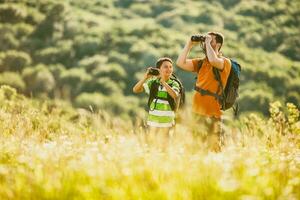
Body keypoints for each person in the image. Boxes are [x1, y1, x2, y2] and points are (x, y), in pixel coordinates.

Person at [176, 32, 232, 152]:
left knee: (214, 147)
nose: (206, 43)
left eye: (211, 40)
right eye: (206, 40)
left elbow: (213, 60)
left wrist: (207, 43)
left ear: (218, 44)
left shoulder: (225, 62)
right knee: (196, 146)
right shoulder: (202, 62)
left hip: (213, 113)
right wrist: (189, 45)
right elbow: (180, 63)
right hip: (197, 111)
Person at [133, 57, 180, 139]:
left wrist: (163, 82)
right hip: (152, 122)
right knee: (151, 146)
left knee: (165, 148)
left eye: (170, 67)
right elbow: (136, 90)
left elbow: (174, 95)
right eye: (165, 67)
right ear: (159, 69)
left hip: (167, 123)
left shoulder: (174, 83)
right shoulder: (153, 83)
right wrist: (145, 78)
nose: (169, 69)